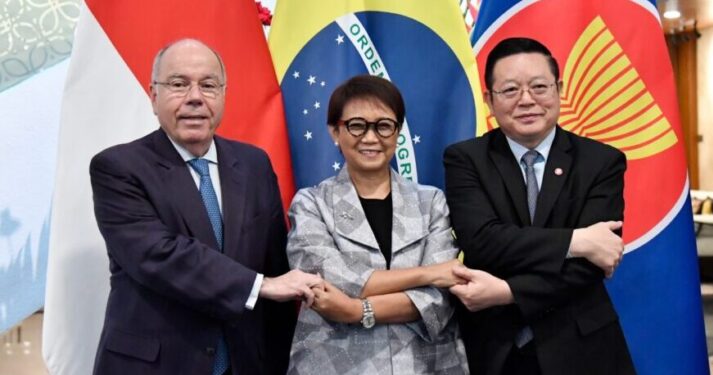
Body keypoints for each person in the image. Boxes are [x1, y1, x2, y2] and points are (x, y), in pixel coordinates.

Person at [89, 39, 322, 375]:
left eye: (208, 85)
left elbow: (276, 265)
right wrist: (260, 285)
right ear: (154, 97)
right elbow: (160, 255)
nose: (195, 97)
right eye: (179, 84)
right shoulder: (118, 167)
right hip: (154, 366)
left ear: (223, 96)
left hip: (244, 363)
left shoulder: (254, 164)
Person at [443, 37, 636, 375]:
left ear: (559, 89)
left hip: (582, 346)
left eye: (539, 87)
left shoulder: (601, 162)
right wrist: (576, 242)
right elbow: (483, 243)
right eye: (510, 90)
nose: (527, 100)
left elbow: (589, 267)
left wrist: (506, 291)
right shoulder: (465, 159)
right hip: (493, 349)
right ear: (488, 99)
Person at [285, 75, 468, 374]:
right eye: (357, 125)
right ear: (335, 131)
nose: (371, 138)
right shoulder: (310, 203)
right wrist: (428, 273)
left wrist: (357, 310)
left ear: (397, 132)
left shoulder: (431, 202)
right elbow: (332, 284)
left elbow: (440, 297)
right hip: (334, 364)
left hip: (424, 363)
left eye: (384, 126)